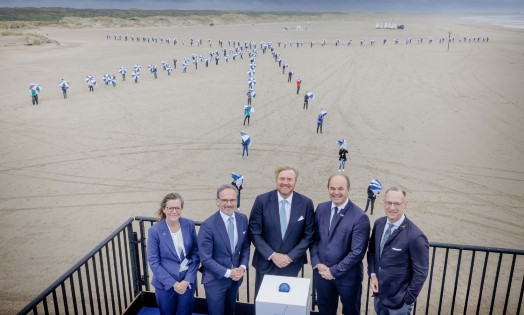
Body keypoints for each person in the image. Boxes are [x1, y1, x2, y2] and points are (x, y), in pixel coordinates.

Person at [248, 165, 315, 296]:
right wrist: (273, 255)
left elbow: (309, 235)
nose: (285, 182)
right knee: (264, 304)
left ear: (295, 181)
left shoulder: (306, 203)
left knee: (287, 304)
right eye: (282, 179)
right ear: (276, 180)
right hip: (265, 264)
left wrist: (290, 257)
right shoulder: (261, 200)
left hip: (291, 265)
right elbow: (254, 232)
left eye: (289, 179)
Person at [310, 174, 370, 315]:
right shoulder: (321, 208)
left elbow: (357, 253)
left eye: (340, 188)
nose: (336, 192)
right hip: (322, 274)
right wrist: (316, 262)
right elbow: (313, 239)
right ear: (328, 189)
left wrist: (333, 271)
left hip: (348, 279)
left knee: (350, 311)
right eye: (332, 188)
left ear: (348, 189)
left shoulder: (360, 217)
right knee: (324, 310)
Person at [367, 187, 429, 315]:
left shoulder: (415, 236)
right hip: (379, 295)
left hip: (399, 304)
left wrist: (407, 299)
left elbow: (421, 272)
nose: (392, 207)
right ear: (384, 202)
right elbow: (372, 251)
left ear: (405, 205)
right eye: (389, 202)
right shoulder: (378, 224)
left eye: (397, 203)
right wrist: (373, 275)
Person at [198, 184, 250, 315]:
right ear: (217, 201)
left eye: (232, 200)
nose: (229, 204)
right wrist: (228, 272)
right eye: (224, 200)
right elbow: (205, 259)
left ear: (236, 200)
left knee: (230, 311)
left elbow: (245, 247)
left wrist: (242, 267)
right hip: (215, 280)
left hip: (235, 279)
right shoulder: (208, 226)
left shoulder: (242, 219)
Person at [147, 193, 200, 315]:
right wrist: (174, 284)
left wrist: (187, 281)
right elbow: (154, 262)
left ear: (181, 209)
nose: (174, 211)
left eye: (177, 208)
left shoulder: (189, 225)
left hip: (186, 281)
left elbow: (195, 254)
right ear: (164, 209)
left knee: (185, 312)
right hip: (165, 284)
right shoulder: (155, 231)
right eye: (171, 208)